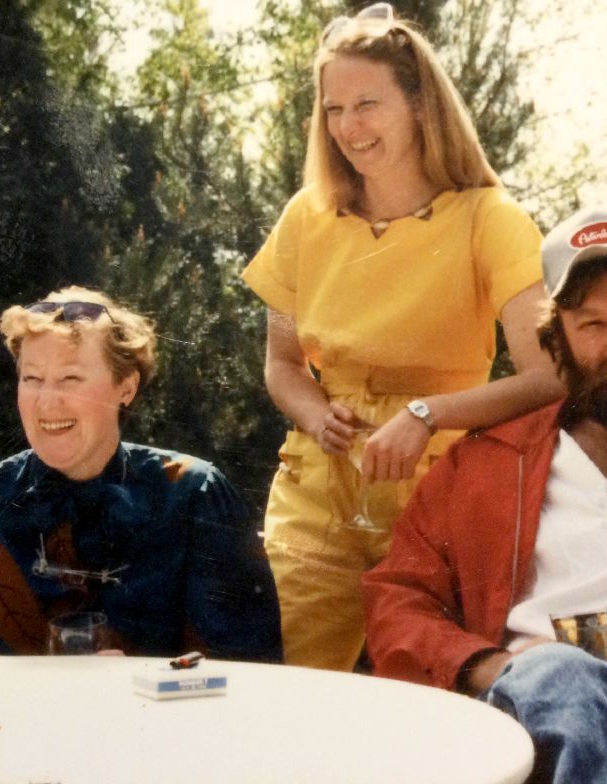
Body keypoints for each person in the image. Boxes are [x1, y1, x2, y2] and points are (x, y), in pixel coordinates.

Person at [363, 205, 607, 782]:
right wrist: (499, 668)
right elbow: (399, 601)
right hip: (516, 742)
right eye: (592, 325)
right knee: (562, 674)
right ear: (559, 342)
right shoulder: (484, 464)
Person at [240, 2, 562, 670]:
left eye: (368, 104)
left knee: (430, 698)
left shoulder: (490, 220)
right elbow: (281, 362)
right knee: (286, 690)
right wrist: (311, 411)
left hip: (439, 491)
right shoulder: (306, 217)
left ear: (419, 105)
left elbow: (547, 376)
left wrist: (425, 414)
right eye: (333, 110)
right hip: (318, 492)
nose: (348, 128)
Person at [0, 287, 282, 661]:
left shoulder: (195, 496)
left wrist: (134, 681)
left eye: (70, 379)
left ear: (125, 387)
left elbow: (248, 675)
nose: (47, 401)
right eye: (32, 379)